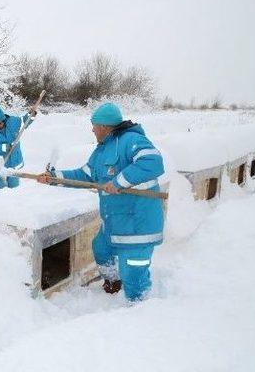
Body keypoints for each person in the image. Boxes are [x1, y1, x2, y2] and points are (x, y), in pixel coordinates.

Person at [37, 102, 164, 301]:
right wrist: (55, 178)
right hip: (114, 225)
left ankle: (140, 308)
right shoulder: (101, 151)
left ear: (104, 126)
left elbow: (152, 162)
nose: (92, 129)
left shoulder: (131, 140)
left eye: (94, 125)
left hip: (137, 227)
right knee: (101, 249)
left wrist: (119, 181)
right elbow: (85, 175)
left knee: (133, 273)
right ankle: (113, 282)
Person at [0, 107, 36, 188]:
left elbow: (24, 121)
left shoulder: (12, 122)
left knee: (14, 185)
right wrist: (5, 147)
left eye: (0, 123)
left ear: (4, 120)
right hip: (0, 162)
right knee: (0, 186)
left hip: (14, 160)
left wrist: (30, 114)